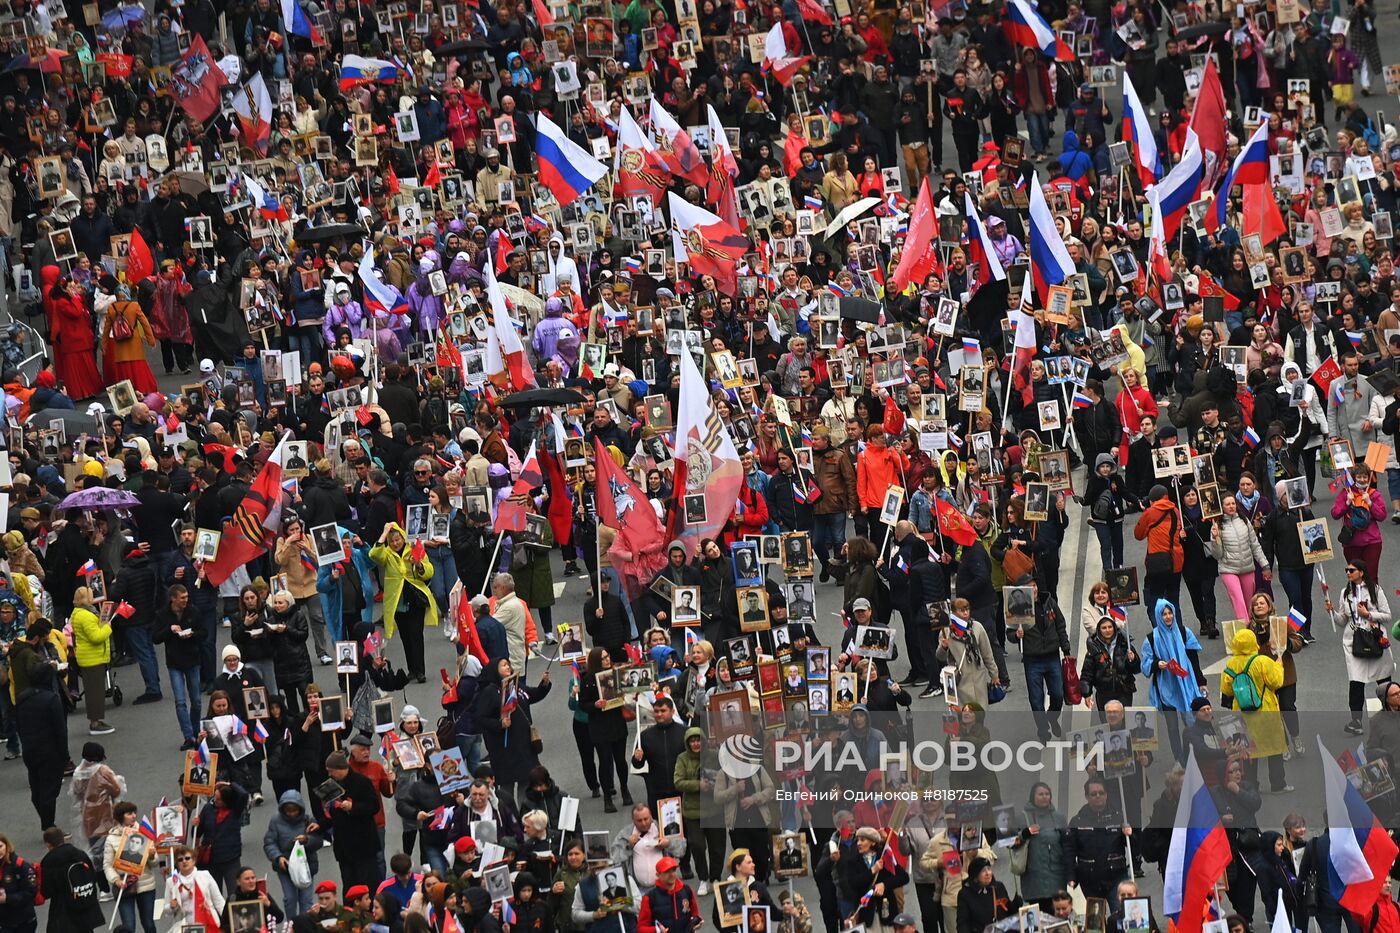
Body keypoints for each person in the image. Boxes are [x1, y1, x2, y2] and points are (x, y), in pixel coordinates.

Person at [38, 826, 104, 933]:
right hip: (85, 905)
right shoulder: (80, 854)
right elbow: (92, 875)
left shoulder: (49, 862)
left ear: (48, 844)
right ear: (63, 839)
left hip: (63, 910)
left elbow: (47, 891)